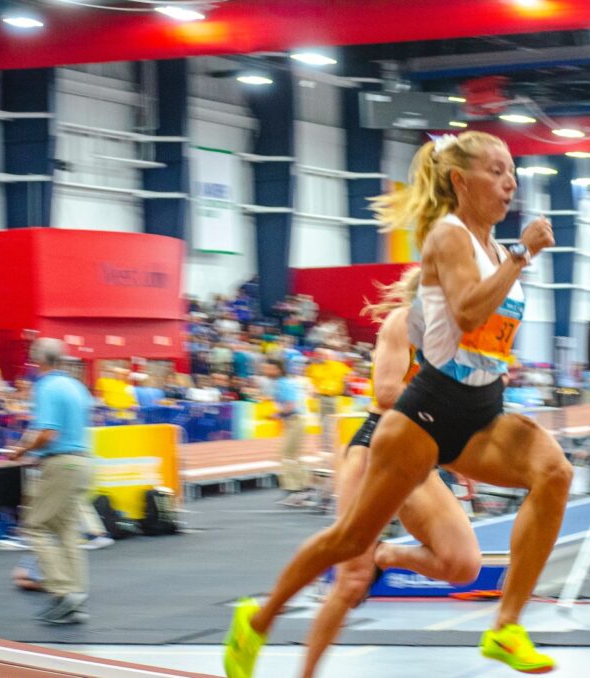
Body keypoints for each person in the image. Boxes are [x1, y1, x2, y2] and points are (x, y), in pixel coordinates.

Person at [224, 130, 570, 677]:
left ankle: (505, 627)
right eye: (496, 171)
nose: (510, 182)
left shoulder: (493, 251)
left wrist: (506, 299)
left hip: (482, 411)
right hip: (425, 416)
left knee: (554, 473)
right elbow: (468, 314)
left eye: (512, 171)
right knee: (350, 542)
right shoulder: (450, 236)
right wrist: (523, 254)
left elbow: (486, 334)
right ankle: (258, 620)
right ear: (460, 181)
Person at [300, 266, 480, 677]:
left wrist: (457, 453)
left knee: (463, 563)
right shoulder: (403, 322)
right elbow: (386, 392)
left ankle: (385, 554)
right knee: (351, 582)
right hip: (375, 449)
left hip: (417, 454)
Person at [9, 338, 94, 625]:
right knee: (67, 529)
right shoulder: (76, 386)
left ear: (38, 361)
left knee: (36, 527)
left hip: (59, 464)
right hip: (81, 461)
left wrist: (22, 450)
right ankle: (76, 594)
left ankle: (62, 590)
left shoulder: (46, 387)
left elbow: (48, 432)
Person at [263, 357, 309, 505]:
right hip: (294, 421)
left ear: (277, 369)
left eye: (268, 368)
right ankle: (303, 489)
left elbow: (290, 406)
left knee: (287, 456)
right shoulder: (282, 383)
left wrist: (275, 415)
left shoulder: (283, 384)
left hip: (294, 420)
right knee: (293, 456)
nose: (265, 371)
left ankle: (294, 491)